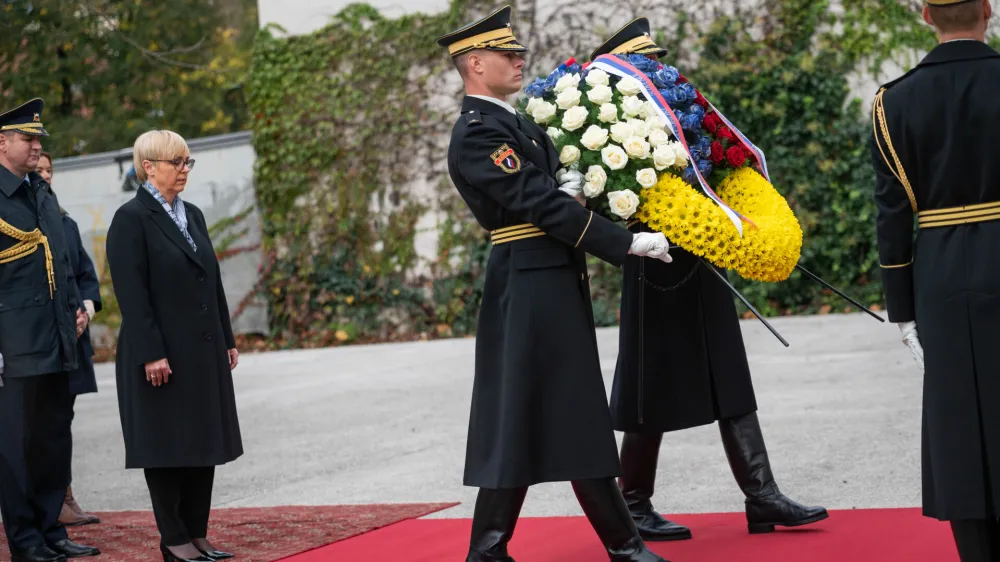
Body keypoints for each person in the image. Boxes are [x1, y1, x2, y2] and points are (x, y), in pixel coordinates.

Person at [437, 7, 678, 562]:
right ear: (474, 63)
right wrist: (623, 242)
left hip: (546, 276)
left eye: (519, 51)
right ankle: (619, 545)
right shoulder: (479, 132)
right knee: (549, 409)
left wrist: (572, 192)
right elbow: (535, 201)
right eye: (506, 54)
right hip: (526, 282)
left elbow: (545, 192)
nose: (520, 60)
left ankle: (493, 550)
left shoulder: (514, 122)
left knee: (552, 409)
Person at [592, 19, 828, 541]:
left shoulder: (676, 110)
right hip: (654, 258)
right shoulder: (606, 116)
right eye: (646, 63)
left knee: (729, 369)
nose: (659, 70)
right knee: (649, 381)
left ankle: (762, 496)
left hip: (704, 246)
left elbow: (713, 162)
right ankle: (633, 501)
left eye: (657, 61)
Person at [871, 1, 1000, 559]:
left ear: (927, 16)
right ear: (988, 11)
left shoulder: (891, 102)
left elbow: (892, 214)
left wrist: (901, 308)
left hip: (939, 274)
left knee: (957, 417)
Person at [105, 129, 243, 562]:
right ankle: (174, 538)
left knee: (202, 443)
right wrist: (151, 352)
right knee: (167, 446)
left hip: (201, 351)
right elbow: (132, 292)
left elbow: (212, 282)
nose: (185, 170)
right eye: (176, 163)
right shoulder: (131, 219)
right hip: (160, 355)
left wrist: (227, 338)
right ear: (149, 167)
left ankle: (198, 534)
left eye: (188, 163)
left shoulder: (194, 215)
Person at [0, 98, 100, 561]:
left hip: (58, 341)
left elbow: (60, 264)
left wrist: (79, 309)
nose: (37, 146)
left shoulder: (42, 193)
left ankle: (51, 530)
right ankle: (25, 540)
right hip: (15, 347)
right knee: (17, 448)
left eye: (38, 138)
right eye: (29, 138)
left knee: (53, 439)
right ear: (2, 143)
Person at [36, 152, 104, 528]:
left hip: (73, 337)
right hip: (41, 340)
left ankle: (66, 496)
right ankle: (49, 500)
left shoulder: (66, 223)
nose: (45, 175)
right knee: (44, 423)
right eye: (39, 169)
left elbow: (86, 277)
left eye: (50, 170)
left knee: (64, 419)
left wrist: (86, 312)